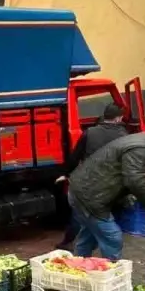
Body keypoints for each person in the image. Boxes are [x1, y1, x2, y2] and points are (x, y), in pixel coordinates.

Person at [67, 122, 145, 260]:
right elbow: (135, 179)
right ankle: (112, 275)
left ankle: (78, 268)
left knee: (89, 235)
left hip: (84, 191)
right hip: (89, 196)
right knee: (113, 237)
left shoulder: (141, 141)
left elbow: (130, 177)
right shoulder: (142, 147)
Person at [55, 104, 129, 249]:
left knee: (79, 214)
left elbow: (75, 156)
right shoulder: (124, 136)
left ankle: (68, 242)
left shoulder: (90, 132)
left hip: (88, 182)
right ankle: (104, 241)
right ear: (119, 118)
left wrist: (66, 174)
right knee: (106, 214)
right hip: (110, 183)